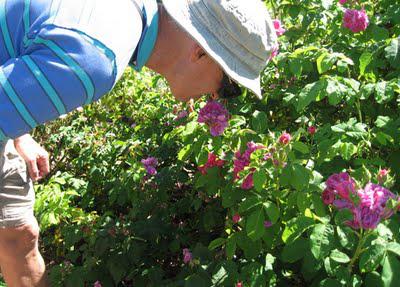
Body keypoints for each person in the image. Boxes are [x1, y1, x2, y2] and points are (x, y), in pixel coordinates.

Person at [0, 0, 277, 286]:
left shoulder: (124, 16)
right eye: (229, 86)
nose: (218, 99)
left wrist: (18, 128)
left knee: (18, 236)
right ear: (201, 53)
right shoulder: (94, 61)